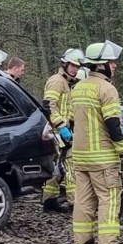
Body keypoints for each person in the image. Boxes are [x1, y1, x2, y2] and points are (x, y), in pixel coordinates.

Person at [70, 42, 123, 244]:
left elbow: (71, 121)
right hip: (103, 158)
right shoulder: (107, 89)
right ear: (101, 65)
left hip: (80, 158)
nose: (114, 65)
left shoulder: (78, 88)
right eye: (111, 62)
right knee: (109, 199)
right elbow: (113, 124)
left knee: (83, 201)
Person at [42, 49, 85, 213]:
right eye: (72, 65)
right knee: (71, 165)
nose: (75, 69)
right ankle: (75, 204)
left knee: (57, 168)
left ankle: (49, 200)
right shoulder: (57, 81)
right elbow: (48, 105)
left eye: (77, 66)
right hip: (59, 130)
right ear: (65, 64)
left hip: (64, 129)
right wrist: (61, 126)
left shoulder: (68, 83)